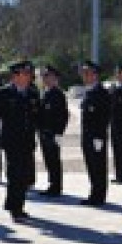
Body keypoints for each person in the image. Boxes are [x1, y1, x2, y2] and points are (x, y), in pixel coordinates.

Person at [0, 61, 39, 222]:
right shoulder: (4, 93)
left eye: (30, 74)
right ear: (16, 76)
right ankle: (14, 207)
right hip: (11, 140)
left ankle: (19, 206)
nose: (29, 77)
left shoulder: (32, 93)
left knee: (24, 175)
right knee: (14, 174)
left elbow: (38, 116)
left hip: (27, 140)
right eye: (25, 74)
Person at [79, 61, 112, 206]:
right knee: (91, 165)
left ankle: (99, 196)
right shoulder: (89, 91)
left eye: (87, 73)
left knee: (98, 166)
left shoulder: (101, 93)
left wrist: (99, 136)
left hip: (96, 136)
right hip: (87, 135)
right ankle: (94, 193)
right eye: (84, 73)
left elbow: (104, 116)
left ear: (95, 75)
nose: (84, 76)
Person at [37, 65, 69, 197]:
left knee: (54, 159)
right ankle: (52, 184)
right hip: (45, 132)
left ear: (55, 78)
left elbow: (64, 116)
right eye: (44, 76)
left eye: (47, 76)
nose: (45, 79)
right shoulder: (46, 93)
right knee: (49, 159)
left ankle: (56, 186)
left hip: (53, 133)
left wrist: (58, 134)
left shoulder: (57, 94)